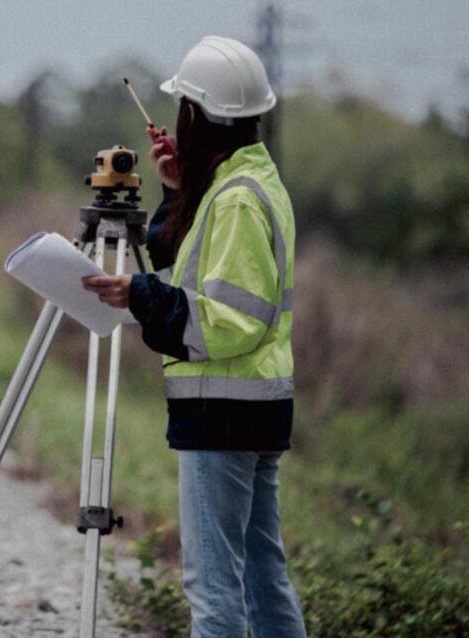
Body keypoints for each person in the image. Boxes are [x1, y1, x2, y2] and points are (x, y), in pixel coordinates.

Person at [82, 36, 307, 637]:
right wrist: (179, 191)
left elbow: (231, 321)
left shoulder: (235, 201)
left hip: (225, 411)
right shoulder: (246, 184)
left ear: (195, 115)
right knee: (263, 578)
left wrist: (139, 294)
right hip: (253, 406)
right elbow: (188, 258)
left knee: (214, 588)